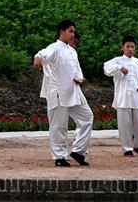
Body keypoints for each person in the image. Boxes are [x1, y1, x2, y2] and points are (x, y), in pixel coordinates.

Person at [33, 20, 94, 168]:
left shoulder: (72, 51)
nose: (73, 34)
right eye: (70, 31)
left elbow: (77, 70)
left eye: (73, 32)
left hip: (74, 91)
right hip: (59, 93)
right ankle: (59, 156)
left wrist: (79, 78)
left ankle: (78, 151)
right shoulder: (55, 48)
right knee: (59, 126)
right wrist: (38, 58)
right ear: (62, 32)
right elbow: (43, 53)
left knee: (87, 117)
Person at [103, 36, 138, 157]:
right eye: (127, 46)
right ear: (122, 47)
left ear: (135, 48)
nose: (130, 49)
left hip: (137, 96)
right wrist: (119, 68)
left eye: (132, 47)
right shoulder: (117, 61)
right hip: (123, 97)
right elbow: (106, 68)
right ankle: (127, 148)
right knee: (125, 125)